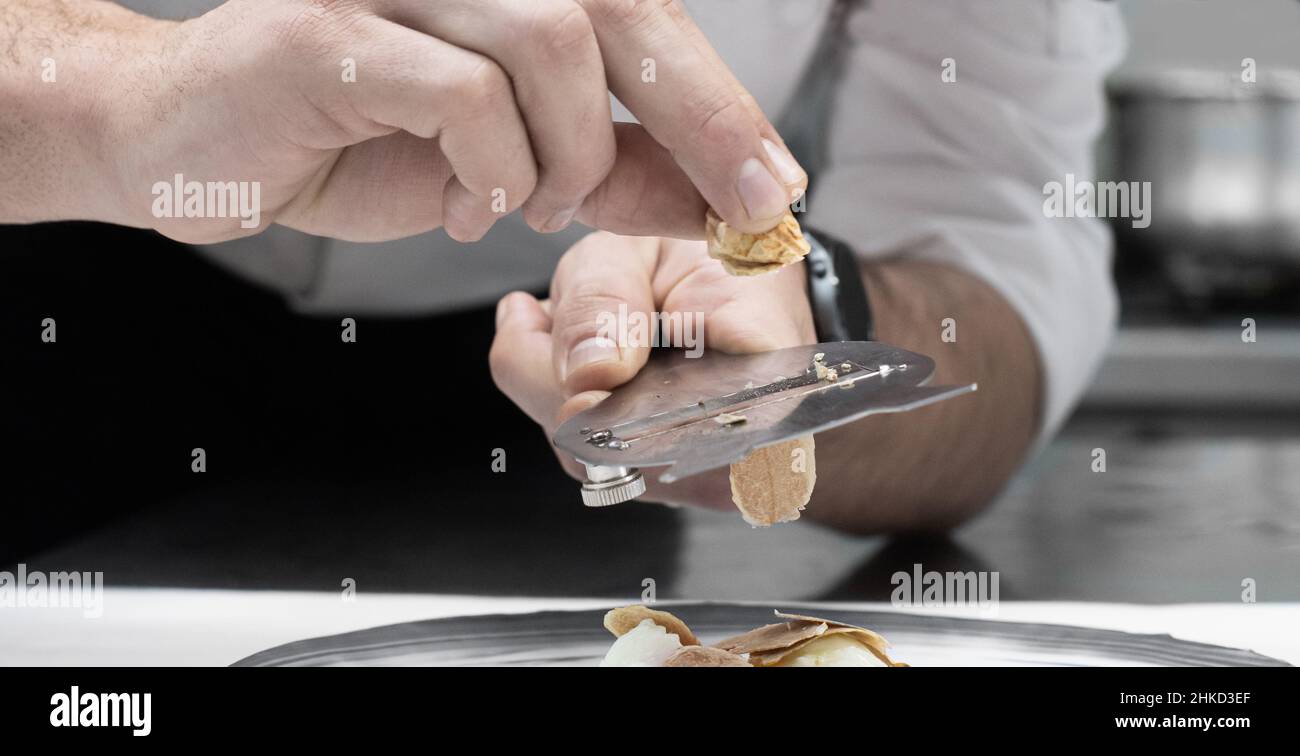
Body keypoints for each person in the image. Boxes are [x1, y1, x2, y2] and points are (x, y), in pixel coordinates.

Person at [1, 0, 1125, 533]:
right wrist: (112, 102)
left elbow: (994, 246)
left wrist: (807, 329)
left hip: (574, 403)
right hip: (52, 272)